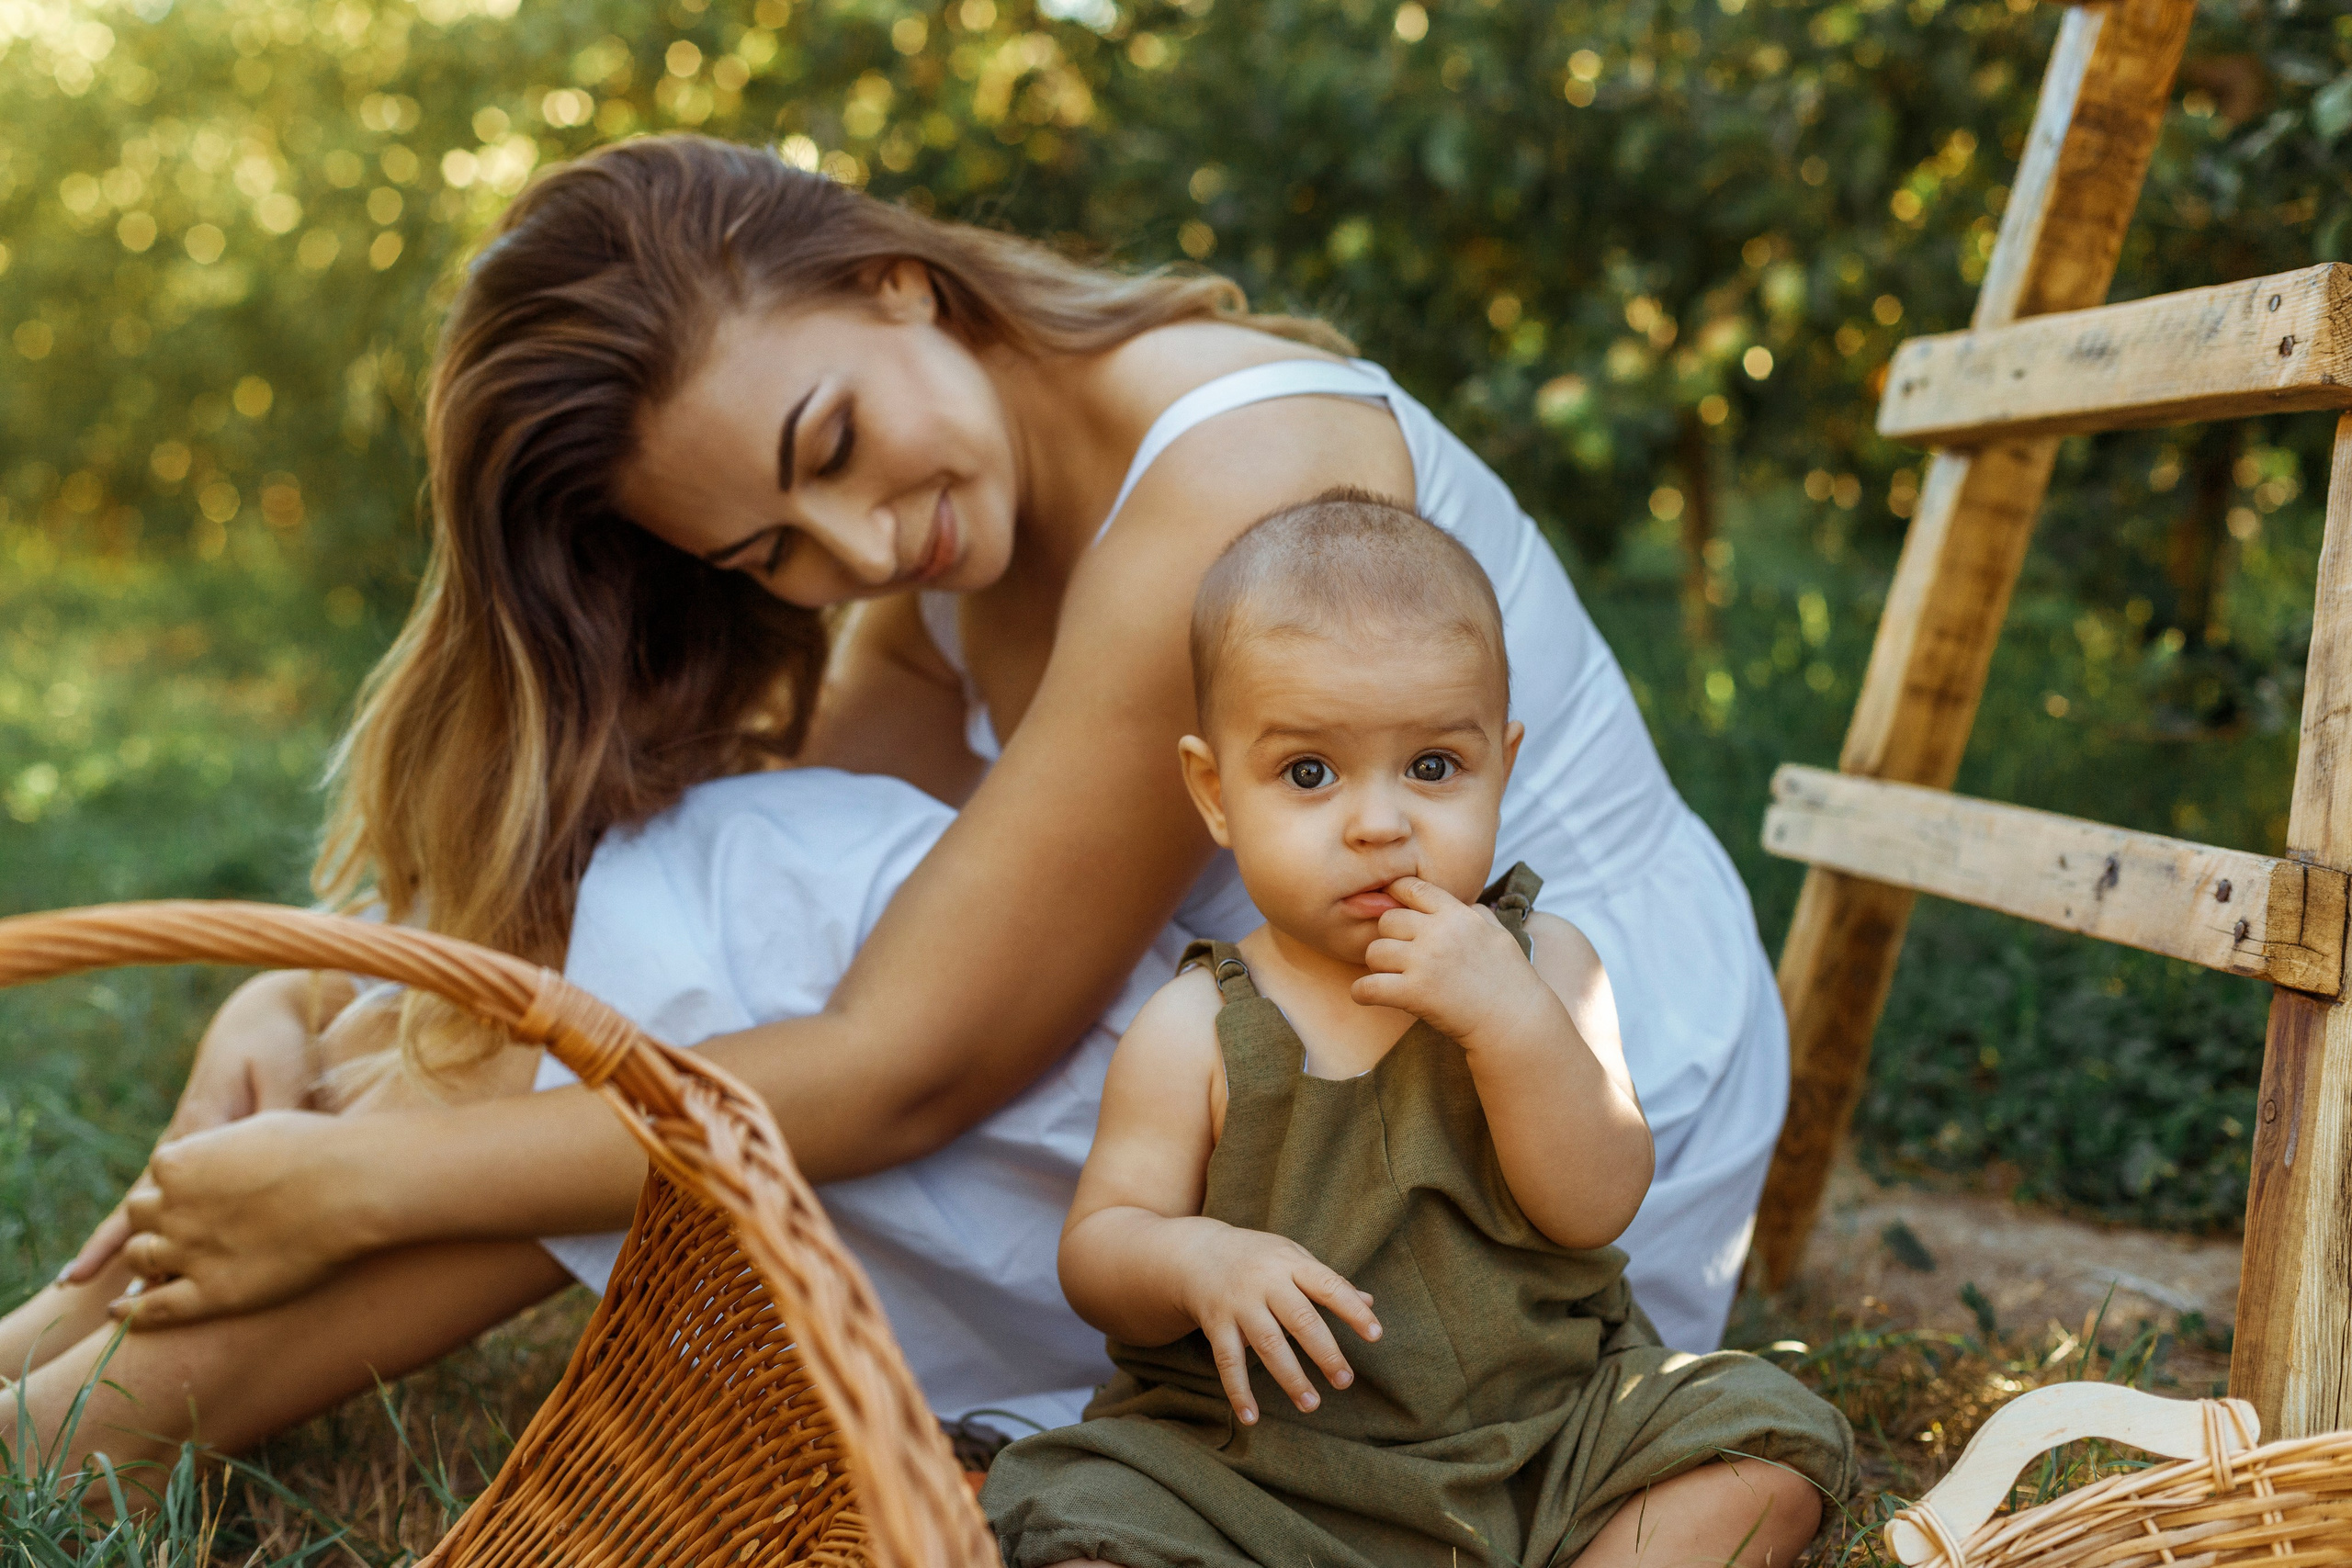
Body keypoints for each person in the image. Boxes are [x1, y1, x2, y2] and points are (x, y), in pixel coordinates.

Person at [2, 132, 1788, 1471]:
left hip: (1507, 1131)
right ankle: (59, 1369)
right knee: (709, 900)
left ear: (895, 282)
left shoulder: (1233, 472)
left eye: (832, 447)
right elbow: (714, 875)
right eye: (771, 546)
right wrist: (304, 1009)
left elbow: (911, 1058)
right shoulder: (952, 558)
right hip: (1269, 1094)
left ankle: (98, 1416)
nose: (858, 550)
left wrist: (367, 1179)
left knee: (729, 957)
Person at [981, 492, 1850, 1568]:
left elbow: (1596, 1201)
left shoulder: (1549, 966)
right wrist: (1196, 1258)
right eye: (1309, 773)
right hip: (1260, 1478)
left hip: (1544, 1440)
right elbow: (1099, 1248)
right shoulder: (1196, 1028)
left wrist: (1509, 1021)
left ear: (1503, 763)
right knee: (1091, 1530)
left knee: (1762, 1454)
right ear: (1214, 792)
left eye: (1433, 766)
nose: (1379, 824)